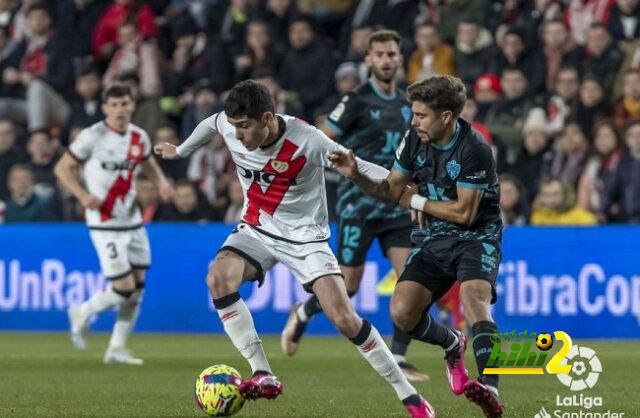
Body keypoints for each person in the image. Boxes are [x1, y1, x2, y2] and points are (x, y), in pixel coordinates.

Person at [154, 80, 434, 417]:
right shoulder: (230, 126)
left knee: (345, 319)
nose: (238, 135)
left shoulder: (307, 140)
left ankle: (411, 398)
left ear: (268, 118)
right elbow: (211, 123)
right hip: (257, 230)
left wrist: (403, 187)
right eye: (235, 127)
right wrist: (181, 150)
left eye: (245, 127)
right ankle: (262, 371)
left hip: (306, 240)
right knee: (217, 279)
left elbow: (356, 165)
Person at [329, 75, 505, 418]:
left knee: (474, 300)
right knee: (402, 313)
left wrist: (419, 201)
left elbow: (466, 213)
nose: (413, 122)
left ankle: (490, 387)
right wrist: (355, 175)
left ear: (446, 117)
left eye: (421, 115)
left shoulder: (474, 148)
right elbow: (392, 190)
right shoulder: (414, 139)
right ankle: (452, 343)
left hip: (477, 236)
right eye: (413, 114)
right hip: (434, 236)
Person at [280, 29, 428, 382]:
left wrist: (417, 190)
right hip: (357, 205)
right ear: (368, 60)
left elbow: (414, 152)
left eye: (392, 54)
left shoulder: (410, 104)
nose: (386, 61)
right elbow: (321, 139)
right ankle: (303, 312)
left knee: (412, 281)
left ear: (399, 58)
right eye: (379, 55)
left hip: (394, 205)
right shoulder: (356, 100)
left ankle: (399, 357)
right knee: (347, 287)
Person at [54, 83, 173, 364]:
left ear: (132, 105)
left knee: (137, 289)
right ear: (105, 107)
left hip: (132, 221)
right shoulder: (92, 136)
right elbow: (62, 168)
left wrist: (162, 182)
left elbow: (147, 163)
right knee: (123, 287)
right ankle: (82, 312)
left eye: (124, 104)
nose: (120, 110)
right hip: (104, 222)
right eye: (114, 105)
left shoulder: (139, 137)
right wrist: (82, 195)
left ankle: (116, 348)